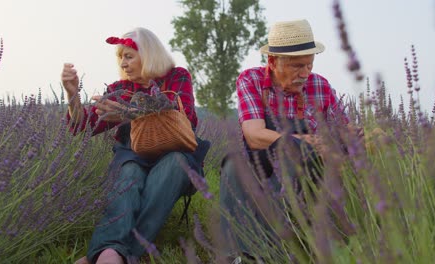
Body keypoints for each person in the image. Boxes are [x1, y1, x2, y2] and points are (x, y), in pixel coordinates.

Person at [61, 27, 209, 264]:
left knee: (174, 165)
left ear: (148, 55)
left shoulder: (176, 76)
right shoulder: (119, 89)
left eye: (129, 56)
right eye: (120, 57)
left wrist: (131, 113)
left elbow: (187, 117)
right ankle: (112, 252)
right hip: (132, 155)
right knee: (128, 171)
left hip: (175, 152)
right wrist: (72, 97)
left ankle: (108, 253)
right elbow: (85, 127)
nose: (123, 63)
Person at [219, 19, 360, 261]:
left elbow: (344, 130)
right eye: (297, 66)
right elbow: (253, 135)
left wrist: (356, 135)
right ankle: (236, 254)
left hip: (310, 166)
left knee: (295, 156)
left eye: (309, 65)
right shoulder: (251, 80)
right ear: (272, 62)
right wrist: (304, 140)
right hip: (261, 157)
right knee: (234, 165)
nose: (305, 74)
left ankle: (260, 253)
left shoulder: (320, 85)